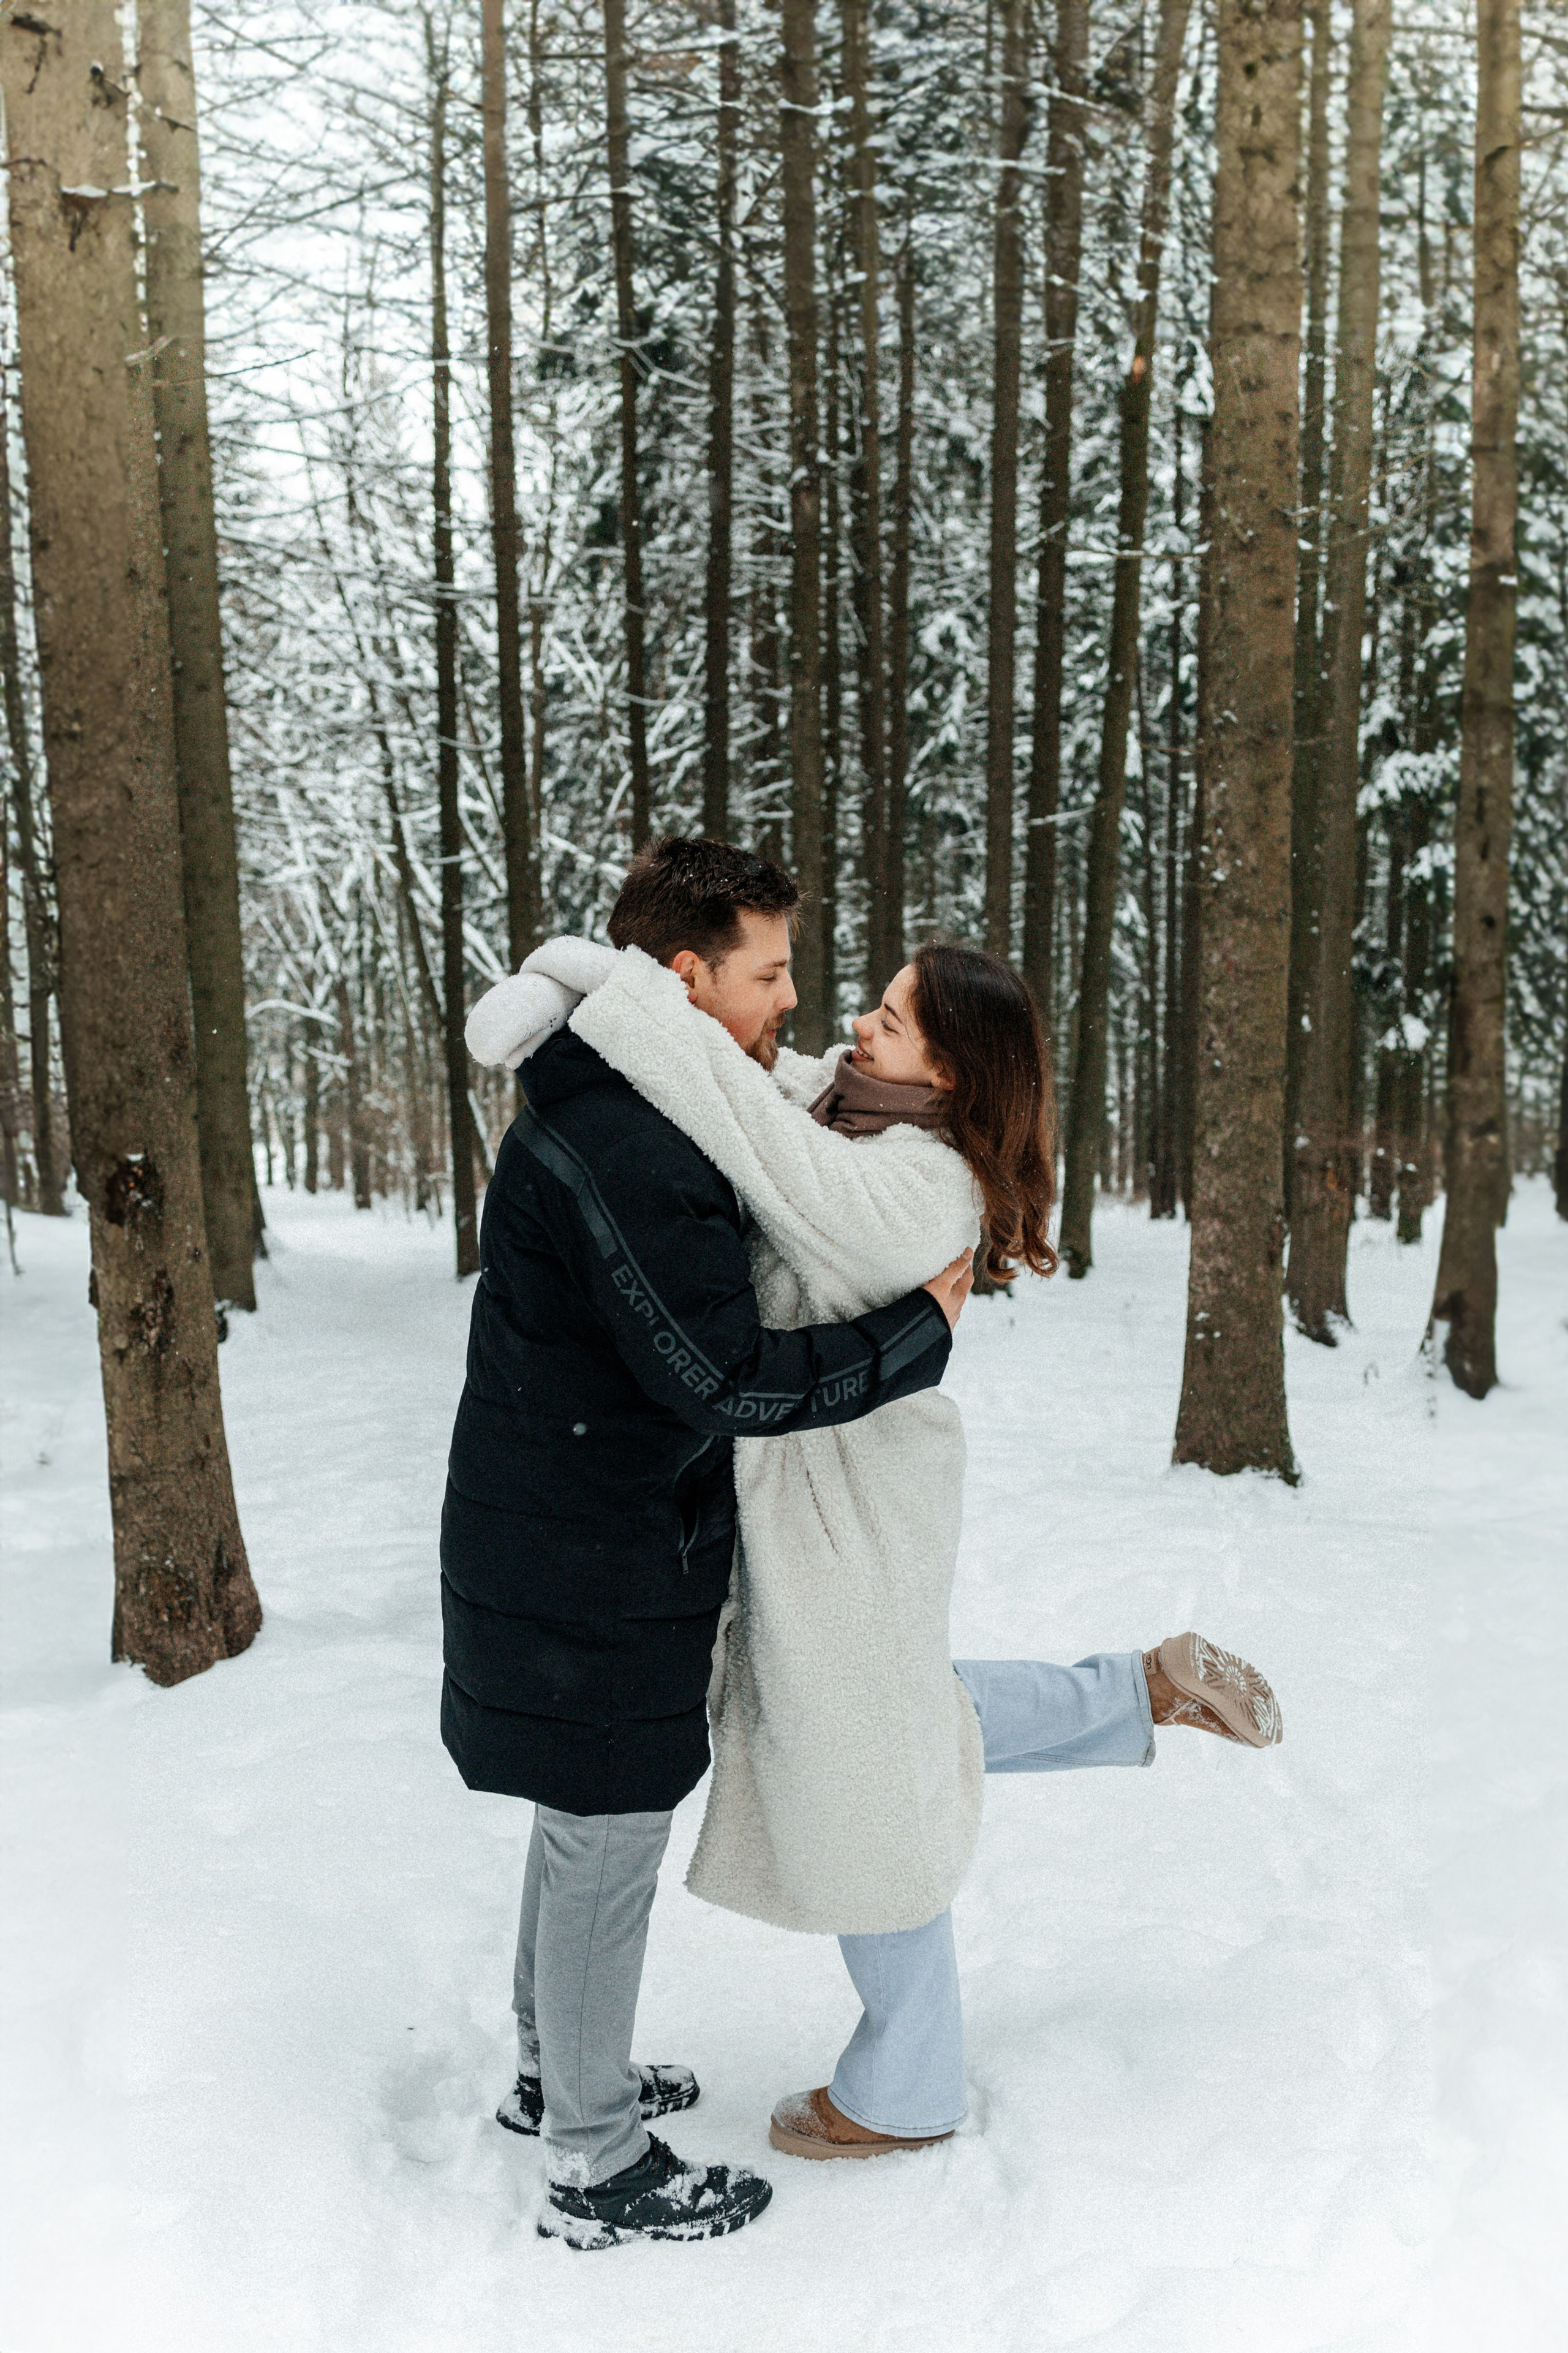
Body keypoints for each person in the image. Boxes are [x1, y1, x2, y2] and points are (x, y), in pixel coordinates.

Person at [479, 875, 1281, 2168]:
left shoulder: (920, 1180)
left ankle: (904, 2084)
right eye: (875, 1001)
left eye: (895, 1019)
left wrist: (615, 992)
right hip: (800, 1480)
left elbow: (758, 1135)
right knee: (891, 1713)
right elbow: (763, 1075)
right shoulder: (850, 1102)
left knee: (863, 1764)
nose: (853, 1021)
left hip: (850, 1495)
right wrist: (604, 983)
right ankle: (1136, 1691)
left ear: (952, 1075)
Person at [441, 837, 975, 2250]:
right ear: (684, 977)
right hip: (590, 1545)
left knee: (579, 1824)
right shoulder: (636, 1142)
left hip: (566, 1516)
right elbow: (727, 1377)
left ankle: (560, 2069)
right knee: (607, 1834)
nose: (794, 999)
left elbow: (769, 1123)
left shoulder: (636, 1090)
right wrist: (917, 1333)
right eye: (768, 970)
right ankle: (596, 2160)